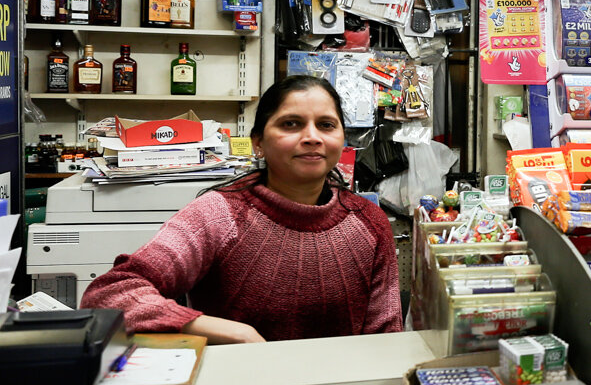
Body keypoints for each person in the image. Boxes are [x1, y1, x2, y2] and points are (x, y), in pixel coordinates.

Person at [80, 75, 400, 343]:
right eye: (291, 124)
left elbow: (386, 335)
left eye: (326, 125)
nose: (312, 137)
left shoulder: (368, 222)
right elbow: (109, 295)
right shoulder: (220, 215)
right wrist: (224, 330)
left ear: (342, 139)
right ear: (258, 142)